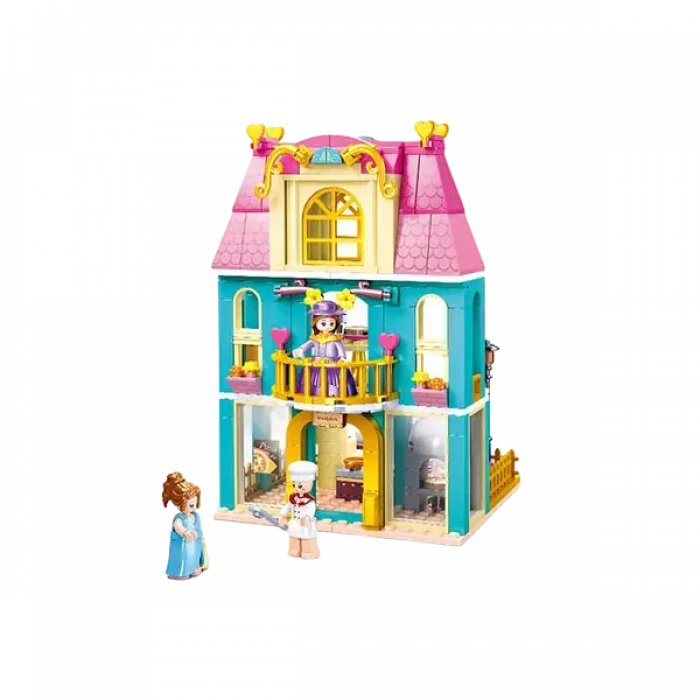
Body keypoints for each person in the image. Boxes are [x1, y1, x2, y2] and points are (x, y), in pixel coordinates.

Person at [293, 299, 358, 397]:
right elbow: (308, 345)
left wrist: (342, 357)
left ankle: (333, 393)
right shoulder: (315, 338)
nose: (327, 326)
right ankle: (314, 392)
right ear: (315, 323)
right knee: (313, 380)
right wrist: (301, 349)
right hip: (316, 364)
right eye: (323, 323)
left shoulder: (335, 339)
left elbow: (341, 349)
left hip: (333, 364)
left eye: (331, 323)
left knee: (335, 381)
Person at [161, 471, 209, 581]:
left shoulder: (196, 516)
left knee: (195, 555)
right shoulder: (179, 518)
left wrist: (202, 538)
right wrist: (185, 533)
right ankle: (179, 573)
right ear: (178, 505)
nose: (194, 507)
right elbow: (178, 527)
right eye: (191, 505)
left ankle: (194, 567)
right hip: (182, 547)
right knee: (183, 560)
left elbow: (199, 529)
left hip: (195, 546)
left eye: (196, 504)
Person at [278, 461, 322, 560]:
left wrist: (307, 517)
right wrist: (282, 515)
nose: (297, 488)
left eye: (300, 485)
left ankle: (307, 552)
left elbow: (311, 510)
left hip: (304, 523)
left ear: (309, 484)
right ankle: (294, 550)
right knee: (293, 536)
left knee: (306, 538)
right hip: (294, 522)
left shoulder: (309, 501)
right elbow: (288, 507)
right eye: (294, 485)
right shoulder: (293, 498)